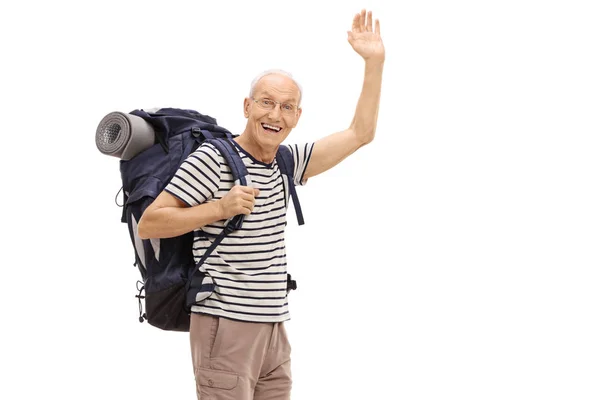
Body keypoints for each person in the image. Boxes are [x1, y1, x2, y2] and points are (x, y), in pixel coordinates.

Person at [137, 8, 385, 400]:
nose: (275, 114)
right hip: (225, 322)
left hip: (274, 325)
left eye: (287, 107)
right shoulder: (213, 158)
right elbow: (150, 223)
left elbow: (360, 133)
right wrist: (220, 207)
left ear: (297, 116)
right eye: (266, 103)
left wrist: (375, 62)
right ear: (247, 107)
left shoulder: (287, 162)